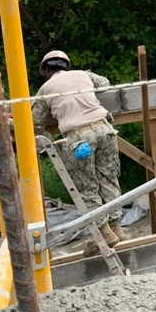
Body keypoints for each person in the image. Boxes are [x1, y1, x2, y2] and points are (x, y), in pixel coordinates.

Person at [31, 50, 126, 254]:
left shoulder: (45, 88)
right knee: (108, 178)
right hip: (105, 129)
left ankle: (103, 233)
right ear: (66, 65)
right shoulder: (84, 75)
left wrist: (46, 141)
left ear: (47, 69)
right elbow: (105, 83)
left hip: (79, 138)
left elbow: (34, 122)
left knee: (86, 186)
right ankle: (116, 225)